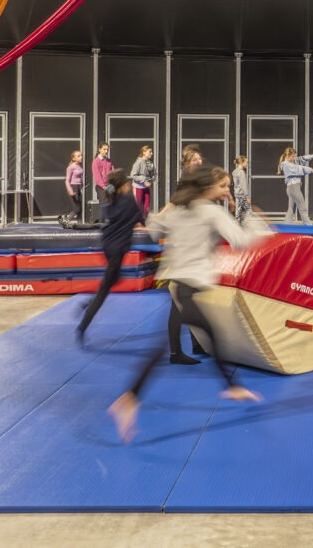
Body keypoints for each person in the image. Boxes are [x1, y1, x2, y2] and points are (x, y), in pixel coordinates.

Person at [107, 165, 265, 443]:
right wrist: (257, 224)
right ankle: (129, 398)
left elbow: (154, 228)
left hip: (177, 283)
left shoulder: (182, 209)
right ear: (208, 187)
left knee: (201, 336)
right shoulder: (210, 212)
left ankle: (231, 387)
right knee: (202, 337)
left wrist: (160, 217)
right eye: (223, 186)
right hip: (188, 286)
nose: (226, 191)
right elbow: (240, 241)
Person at [76, 169, 147, 343]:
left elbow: (111, 220)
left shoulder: (110, 200)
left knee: (115, 279)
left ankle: (89, 304)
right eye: (127, 183)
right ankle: (83, 324)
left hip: (108, 246)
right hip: (117, 250)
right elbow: (140, 219)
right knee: (105, 289)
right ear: (123, 185)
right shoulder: (129, 200)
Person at [278, 147, 313, 225]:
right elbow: (299, 168)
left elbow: (302, 158)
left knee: (291, 208)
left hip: (293, 188)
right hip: (293, 188)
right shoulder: (286, 164)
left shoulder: (292, 161)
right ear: (287, 156)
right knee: (302, 207)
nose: (294, 158)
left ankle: (287, 224)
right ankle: (308, 225)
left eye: (295, 156)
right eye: (293, 156)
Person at [130, 145, 156, 216]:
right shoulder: (138, 162)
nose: (152, 153)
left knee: (146, 207)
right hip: (138, 187)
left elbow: (154, 174)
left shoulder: (150, 163)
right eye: (150, 152)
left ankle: (144, 221)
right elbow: (133, 175)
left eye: (152, 152)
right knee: (138, 207)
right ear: (144, 152)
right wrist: (144, 181)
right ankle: (135, 221)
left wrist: (151, 179)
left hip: (146, 188)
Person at [91, 142, 114, 222]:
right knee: (104, 204)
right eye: (104, 149)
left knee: (111, 204)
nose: (106, 151)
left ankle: (109, 221)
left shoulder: (109, 161)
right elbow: (97, 178)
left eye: (107, 149)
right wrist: (104, 187)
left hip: (109, 186)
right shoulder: (96, 162)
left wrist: (112, 185)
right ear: (99, 149)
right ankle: (101, 222)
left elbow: (113, 173)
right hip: (101, 187)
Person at [232, 155, 252, 225]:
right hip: (242, 194)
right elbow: (244, 185)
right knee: (249, 210)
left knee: (238, 211)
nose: (247, 164)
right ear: (241, 162)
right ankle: (245, 224)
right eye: (246, 162)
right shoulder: (241, 172)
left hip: (237, 194)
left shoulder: (235, 171)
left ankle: (236, 225)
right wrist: (247, 197)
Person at [64, 150, 84, 221]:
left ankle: (79, 224)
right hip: (73, 187)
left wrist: (82, 185)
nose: (81, 157)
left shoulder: (79, 166)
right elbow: (67, 181)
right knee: (77, 209)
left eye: (81, 155)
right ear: (74, 158)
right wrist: (70, 190)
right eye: (78, 156)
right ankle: (66, 220)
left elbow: (80, 178)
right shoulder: (71, 167)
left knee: (80, 208)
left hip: (78, 187)